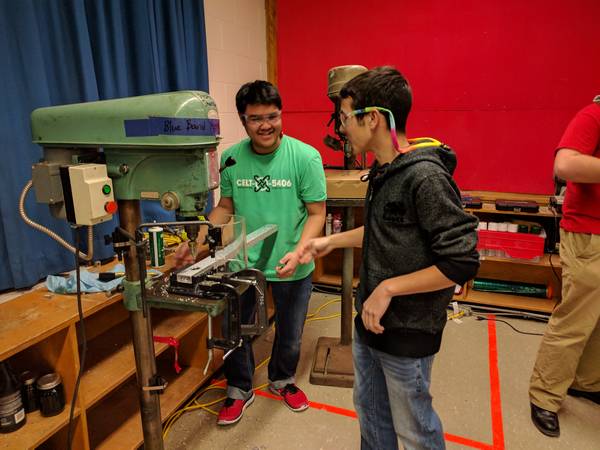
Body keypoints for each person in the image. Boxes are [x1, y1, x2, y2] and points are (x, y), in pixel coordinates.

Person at [298, 66, 479, 450]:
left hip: (407, 331)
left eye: (346, 118)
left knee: (414, 430)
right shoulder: (385, 170)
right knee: (371, 415)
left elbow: (460, 262)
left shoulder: (425, 177)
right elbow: (387, 229)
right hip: (371, 324)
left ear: (374, 118)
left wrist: (388, 289)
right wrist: (329, 242)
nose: (342, 128)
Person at [175, 80, 327, 425]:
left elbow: (317, 212)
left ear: (281, 115)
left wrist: (302, 249)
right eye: (256, 118)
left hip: (292, 263)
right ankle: (238, 389)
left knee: (290, 333)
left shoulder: (305, 157)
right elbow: (224, 207)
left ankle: (283, 380)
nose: (266, 125)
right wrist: (198, 240)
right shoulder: (231, 158)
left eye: (272, 116)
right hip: (242, 264)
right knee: (237, 331)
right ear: (243, 120)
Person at [529, 97, 600, 437]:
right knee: (575, 319)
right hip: (590, 234)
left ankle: (585, 382)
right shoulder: (593, 115)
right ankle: (544, 395)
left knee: (597, 321)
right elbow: (565, 166)